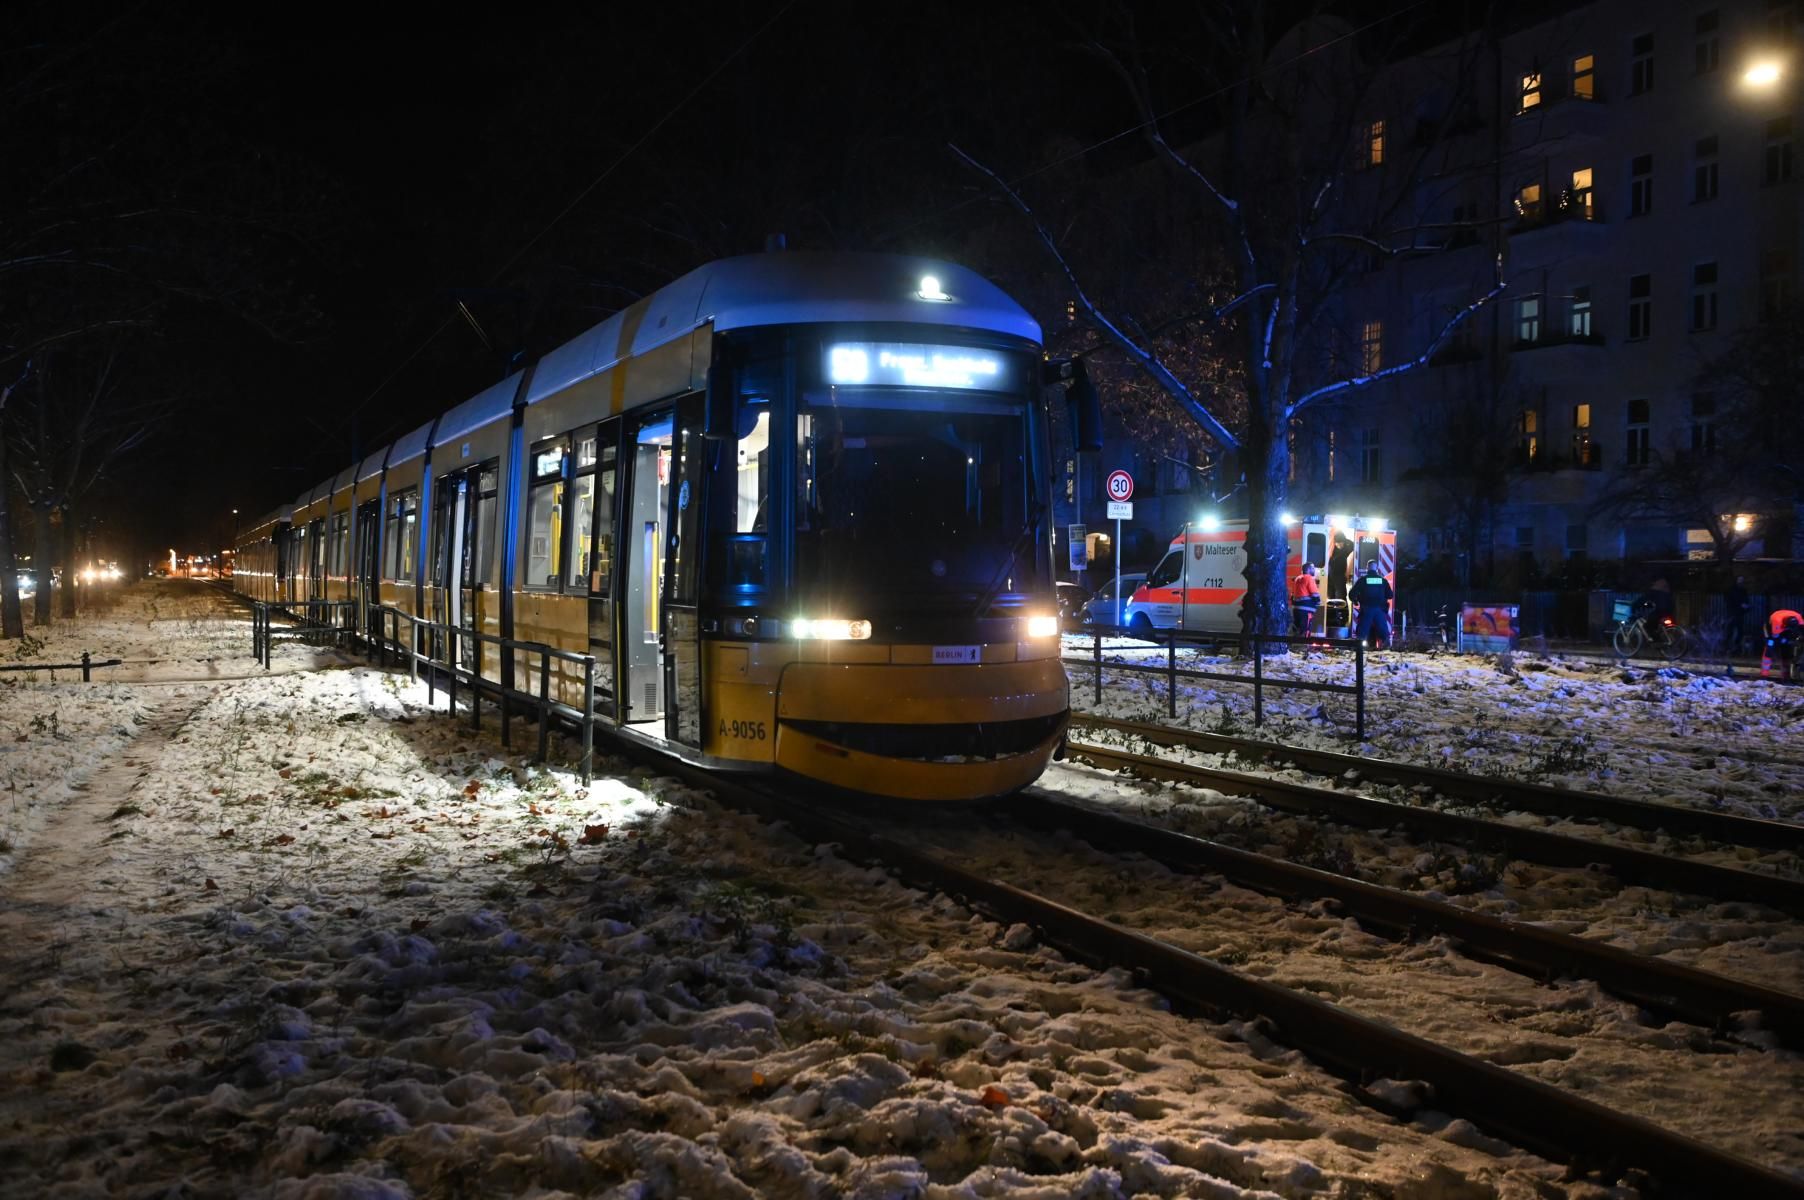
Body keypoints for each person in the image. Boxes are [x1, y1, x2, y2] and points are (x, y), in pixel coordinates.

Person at [1352, 560, 1394, 648]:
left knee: (1362, 632)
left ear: (1367, 568)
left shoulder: (1362, 580)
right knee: (1383, 632)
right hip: (1380, 611)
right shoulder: (1383, 580)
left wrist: (1355, 601)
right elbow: (1390, 595)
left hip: (1366, 609)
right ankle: (1387, 649)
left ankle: (1359, 650)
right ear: (1377, 569)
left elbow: (1352, 594)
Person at [1763, 608, 1803, 681]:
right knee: (1770, 646)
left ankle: (1786, 675)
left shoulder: (1799, 619)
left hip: (1784, 626)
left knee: (1786, 651)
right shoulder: (1777, 621)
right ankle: (1764, 674)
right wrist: (1787, 641)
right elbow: (1776, 637)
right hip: (1771, 628)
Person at [1289, 562, 1321, 637]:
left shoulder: (1297, 579)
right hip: (1306, 610)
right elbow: (1315, 594)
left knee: (1296, 630)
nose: (1314, 570)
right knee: (1305, 631)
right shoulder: (1309, 578)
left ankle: (1295, 643)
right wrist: (1318, 602)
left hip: (1296, 609)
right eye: (1313, 568)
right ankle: (1304, 643)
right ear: (1309, 569)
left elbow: (1293, 594)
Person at [1724, 576, 1751, 658]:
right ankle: (1728, 649)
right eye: (1740, 580)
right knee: (1730, 632)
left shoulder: (1743, 590)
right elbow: (1729, 601)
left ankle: (1736, 649)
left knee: (1740, 632)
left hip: (1739, 614)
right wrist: (1740, 605)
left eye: (1742, 580)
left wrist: (1746, 606)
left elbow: (1746, 600)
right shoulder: (1732, 590)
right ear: (1736, 581)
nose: (1741, 582)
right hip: (1732, 613)